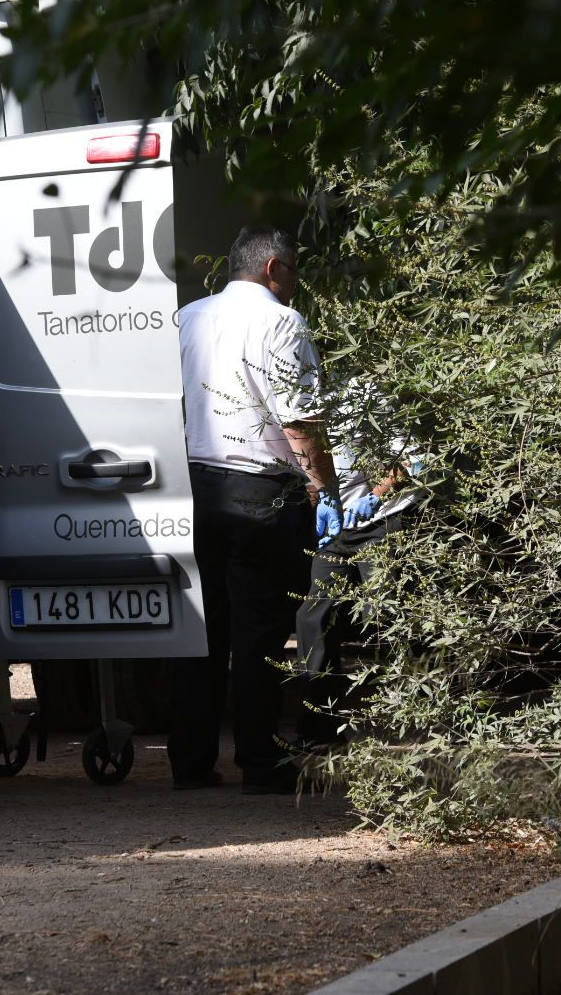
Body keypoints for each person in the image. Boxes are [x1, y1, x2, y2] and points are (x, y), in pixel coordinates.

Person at [171, 226, 336, 794]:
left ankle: (189, 763)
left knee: (204, 631)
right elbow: (298, 419)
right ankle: (259, 765)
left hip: (197, 484)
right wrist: (325, 489)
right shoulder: (281, 322)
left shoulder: (190, 316)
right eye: (294, 271)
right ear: (273, 269)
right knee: (260, 635)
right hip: (261, 490)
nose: (296, 284)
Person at [295, 384, 425, 752]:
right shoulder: (299, 406)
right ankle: (319, 726)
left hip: (383, 518)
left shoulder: (367, 394)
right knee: (313, 617)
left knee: (386, 614)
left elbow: (412, 461)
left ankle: (416, 714)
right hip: (339, 523)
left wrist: (375, 497)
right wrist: (319, 498)